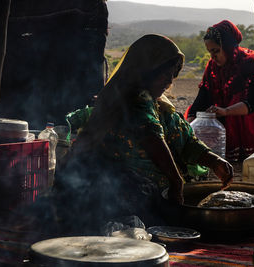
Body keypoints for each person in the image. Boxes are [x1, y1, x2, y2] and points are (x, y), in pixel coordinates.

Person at [53, 34, 233, 233]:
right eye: (164, 74)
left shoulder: (162, 107)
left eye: (172, 75)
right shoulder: (131, 100)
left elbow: (186, 141)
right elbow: (151, 138)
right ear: (146, 71)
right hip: (116, 192)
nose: (169, 80)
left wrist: (214, 160)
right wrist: (175, 181)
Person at [187, 20, 254, 161]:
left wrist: (227, 111)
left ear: (229, 46)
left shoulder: (251, 61)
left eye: (216, 51)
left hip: (251, 122)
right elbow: (203, 98)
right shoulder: (212, 66)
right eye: (210, 52)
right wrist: (189, 126)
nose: (212, 57)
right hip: (224, 120)